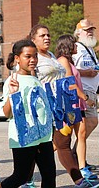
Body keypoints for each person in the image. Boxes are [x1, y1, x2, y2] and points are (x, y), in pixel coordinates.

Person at [29, 24, 98, 187]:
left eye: (48, 35)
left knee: (62, 144)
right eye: (42, 36)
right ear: (33, 40)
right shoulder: (33, 58)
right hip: (43, 109)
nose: (47, 38)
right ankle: (27, 179)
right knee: (42, 147)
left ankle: (79, 180)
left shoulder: (52, 55)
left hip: (58, 108)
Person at [0, 39, 56, 188]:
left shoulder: (35, 79)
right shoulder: (12, 80)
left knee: (49, 175)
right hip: (24, 136)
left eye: (35, 56)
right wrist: (12, 94)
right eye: (28, 56)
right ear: (17, 58)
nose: (33, 60)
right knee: (21, 176)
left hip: (43, 136)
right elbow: (6, 113)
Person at [55, 35, 97, 178]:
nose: (77, 46)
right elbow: (70, 84)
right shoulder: (63, 61)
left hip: (78, 104)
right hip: (71, 105)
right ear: (67, 45)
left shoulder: (69, 61)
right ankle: (35, 158)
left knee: (82, 135)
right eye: (74, 44)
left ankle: (82, 168)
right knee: (60, 141)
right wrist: (85, 98)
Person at [73, 19, 99, 170]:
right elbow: (70, 69)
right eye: (87, 30)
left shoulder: (89, 49)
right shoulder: (77, 48)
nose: (90, 32)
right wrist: (88, 72)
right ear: (78, 33)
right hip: (83, 93)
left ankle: (77, 154)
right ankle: (75, 155)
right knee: (87, 125)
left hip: (91, 92)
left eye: (92, 29)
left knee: (90, 124)